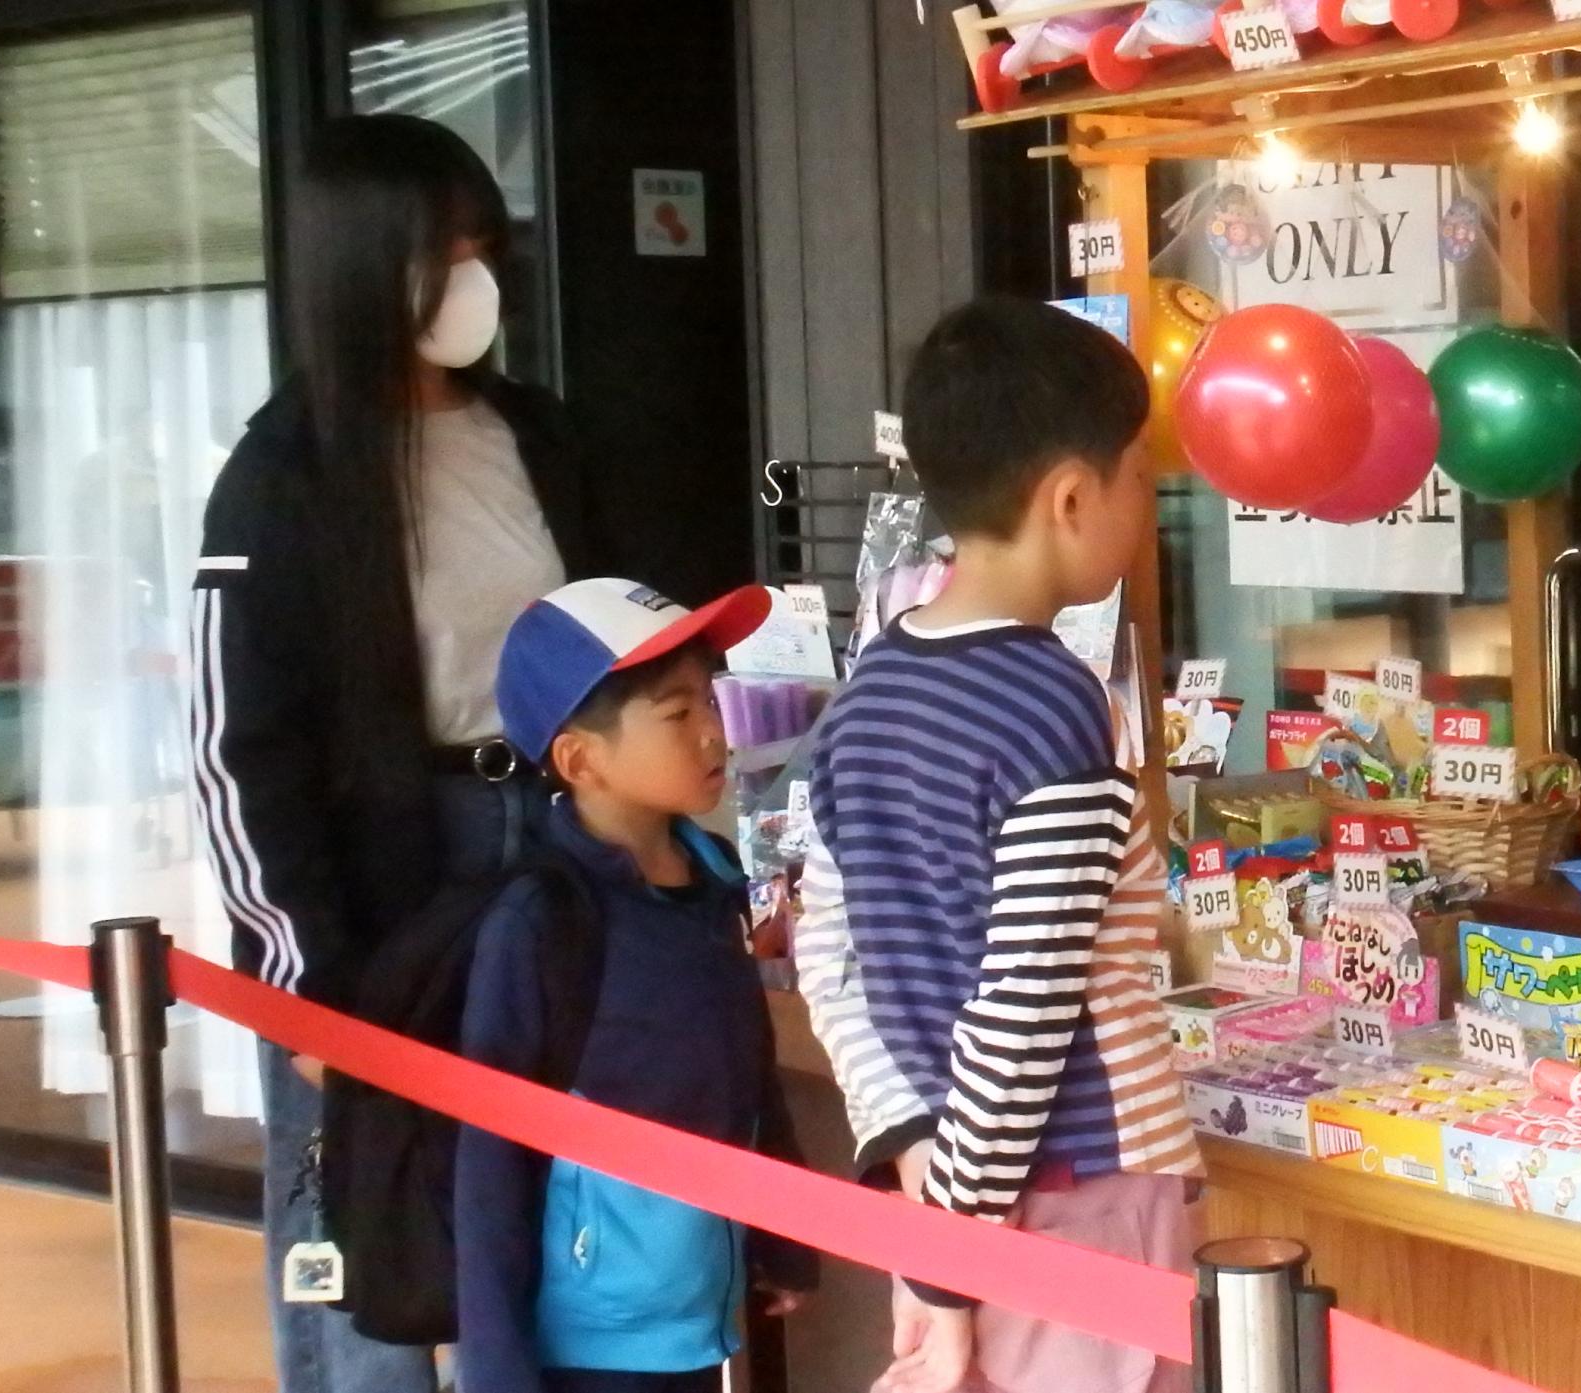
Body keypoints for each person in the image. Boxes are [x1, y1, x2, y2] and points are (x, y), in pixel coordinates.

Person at [190, 113, 613, 1393]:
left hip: (546, 839)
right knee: (370, 1236)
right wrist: (300, 976)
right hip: (379, 880)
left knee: (540, 1202)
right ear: (367, 266)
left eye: (486, 244)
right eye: (447, 248)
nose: (475, 275)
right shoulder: (280, 477)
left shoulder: (533, 432)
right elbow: (237, 751)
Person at [791, 297, 1203, 1393]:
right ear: (1072, 497)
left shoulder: (868, 690)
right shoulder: (1053, 707)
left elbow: (833, 958)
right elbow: (1024, 1004)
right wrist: (949, 1257)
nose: (1146, 509)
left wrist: (928, 1170)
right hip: (1077, 1190)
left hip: (946, 1187)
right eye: (1141, 481)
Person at [453, 578, 819, 1393]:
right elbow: (490, 1166)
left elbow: (748, 1077)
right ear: (581, 758)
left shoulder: (712, 880)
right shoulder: (541, 921)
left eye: (711, 703)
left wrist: (784, 1234)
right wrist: (499, 1370)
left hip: (695, 1321)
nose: (713, 734)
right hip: (588, 1344)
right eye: (677, 713)